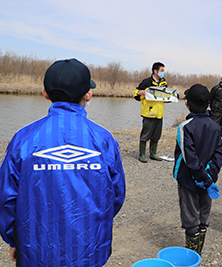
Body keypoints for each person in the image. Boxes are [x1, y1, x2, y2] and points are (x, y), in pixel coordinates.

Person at [0, 58, 126, 266]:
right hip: (90, 248)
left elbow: (6, 197)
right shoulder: (103, 140)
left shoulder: (23, 139)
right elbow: (116, 195)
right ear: (88, 94)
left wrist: (13, 238)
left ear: (45, 93)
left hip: (35, 250)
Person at [173, 84, 222, 255]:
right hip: (207, 181)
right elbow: (219, 154)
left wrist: (205, 178)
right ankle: (198, 253)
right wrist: (209, 176)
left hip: (189, 179)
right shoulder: (215, 126)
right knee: (203, 215)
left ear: (187, 103)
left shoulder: (185, 126)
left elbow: (190, 158)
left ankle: (192, 256)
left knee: (191, 218)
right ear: (208, 104)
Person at [133, 62, 167, 163]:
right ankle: (142, 155)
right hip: (149, 113)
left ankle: (153, 154)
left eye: (163, 71)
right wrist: (141, 93)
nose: (163, 73)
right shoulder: (146, 82)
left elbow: (166, 97)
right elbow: (135, 94)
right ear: (155, 71)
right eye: (161, 71)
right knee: (145, 134)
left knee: (156, 135)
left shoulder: (164, 83)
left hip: (159, 114)